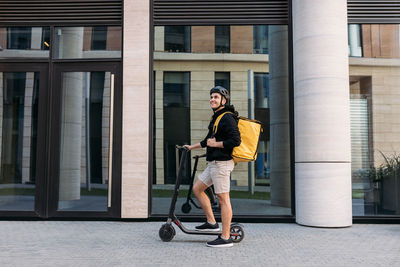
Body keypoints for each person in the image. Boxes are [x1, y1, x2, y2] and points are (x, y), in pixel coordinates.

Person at [184, 86, 241, 248]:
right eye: (211, 97)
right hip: (213, 164)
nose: (212, 99)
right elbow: (206, 141)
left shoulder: (227, 118)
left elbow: (235, 141)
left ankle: (225, 237)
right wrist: (190, 147)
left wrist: (216, 144)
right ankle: (211, 222)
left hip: (222, 164)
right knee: (197, 189)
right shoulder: (217, 117)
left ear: (224, 100)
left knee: (223, 199)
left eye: (216, 97)